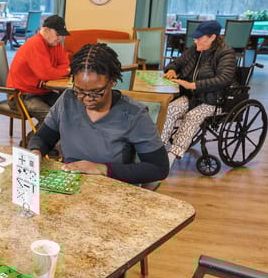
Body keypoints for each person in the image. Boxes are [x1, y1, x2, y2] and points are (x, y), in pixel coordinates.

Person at [28, 43, 169, 185]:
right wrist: (36, 152)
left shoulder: (134, 114)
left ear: (112, 81)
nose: (87, 98)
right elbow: (42, 138)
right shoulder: (67, 100)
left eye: (96, 92)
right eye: (79, 91)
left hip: (112, 190)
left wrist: (102, 169)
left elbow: (158, 168)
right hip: (69, 184)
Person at [161, 20, 237, 168]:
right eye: (195, 37)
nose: (195, 41)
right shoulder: (195, 49)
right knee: (169, 109)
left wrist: (193, 85)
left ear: (212, 37)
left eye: (199, 38)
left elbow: (224, 79)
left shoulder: (225, 53)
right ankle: (158, 148)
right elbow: (177, 62)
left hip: (214, 100)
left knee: (191, 117)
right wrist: (171, 69)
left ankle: (173, 155)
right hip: (192, 97)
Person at [6, 15, 71, 130]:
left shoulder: (55, 44)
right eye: (58, 34)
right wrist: (65, 71)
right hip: (22, 96)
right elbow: (46, 74)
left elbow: (65, 65)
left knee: (69, 109)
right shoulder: (35, 44)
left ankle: (54, 144)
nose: (60, 38)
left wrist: (60, 70)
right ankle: (29, 145)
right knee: (50, 118)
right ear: (46, 30)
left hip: (42, 92)